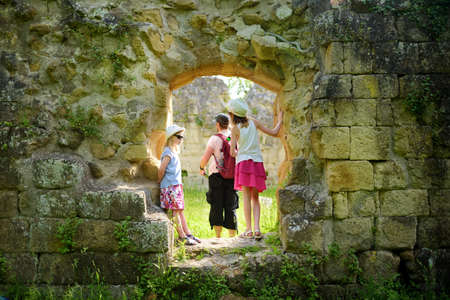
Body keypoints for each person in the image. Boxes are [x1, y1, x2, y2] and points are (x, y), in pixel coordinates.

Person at [228, 98, 283, 240]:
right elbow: (275, 132)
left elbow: (232, 152)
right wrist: (281, 119)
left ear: (233, 115)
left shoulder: (234, 129)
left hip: (243, 163)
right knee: (255, 197)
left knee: (246, 197)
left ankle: (248, 229)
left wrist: (235, 147)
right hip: (257, 162)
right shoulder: (254, 122)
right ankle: (257, 228)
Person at [158, 124, 200, 246]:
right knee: (176, 211)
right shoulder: (167, 152)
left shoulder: (173, 151)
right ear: (171, 137)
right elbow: (161, 170)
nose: (181, 139)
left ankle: (188, 233)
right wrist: (159, 181)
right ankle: (182, 236)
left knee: (180, 210)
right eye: (179, 137)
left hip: (176, 186)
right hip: (170, 186)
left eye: (182, 137)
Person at [199, 113, 239, 238]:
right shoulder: (231, 138)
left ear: (217, 124)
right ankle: (232, 236)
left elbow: (205, 157)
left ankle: (218, 237)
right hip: (232, 175)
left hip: (216, 175)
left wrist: (201, 167)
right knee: (230, 205)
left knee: (216, 205)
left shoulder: (215, 139)